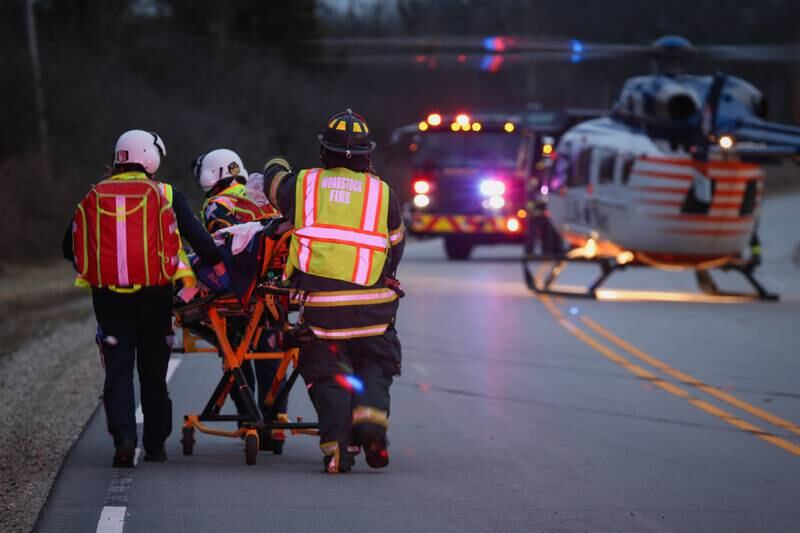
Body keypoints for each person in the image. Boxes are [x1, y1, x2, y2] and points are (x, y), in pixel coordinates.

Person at [63, 130, 226, 468]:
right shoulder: (166, 193)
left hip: (108, 299)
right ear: (151, 158)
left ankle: (123, 440)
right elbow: (203, 245)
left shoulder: (95, 194)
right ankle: (155, 446)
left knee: (118, 370)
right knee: (153, 372)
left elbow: (69, 247)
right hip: (155, 296)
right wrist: (216, 269)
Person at [262, 109, 405, 473]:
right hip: (373, 307)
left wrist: (275, 163)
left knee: (327, 372)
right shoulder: (383, 193)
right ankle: (371, 423)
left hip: (323, 308)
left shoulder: (306, 185)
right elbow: (395, 247)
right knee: (375, 364)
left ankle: (338, 448)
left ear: (323, 151)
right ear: (366, 156)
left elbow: (273, 183)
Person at [192, 148, 288, 450]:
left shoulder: (216, 206)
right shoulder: (265, 198)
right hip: (274, 293)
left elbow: (215, 249)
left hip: (238, 297)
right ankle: (276, 423)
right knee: (272, 355)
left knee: (237, 354)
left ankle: (249, 421)